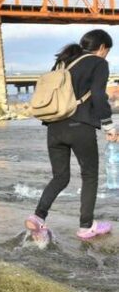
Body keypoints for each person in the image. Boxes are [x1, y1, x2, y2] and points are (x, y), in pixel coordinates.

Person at [25, 29, 116, 241]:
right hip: (80, 126)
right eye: (107, 51)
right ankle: (86, 226)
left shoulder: (63, 62)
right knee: (89, 175)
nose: (105, 56)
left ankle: (38, 216)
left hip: (54, 126)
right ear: (102, 47)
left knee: (60, 177)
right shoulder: (98, 63)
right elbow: (98, 96)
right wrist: (110, 127)